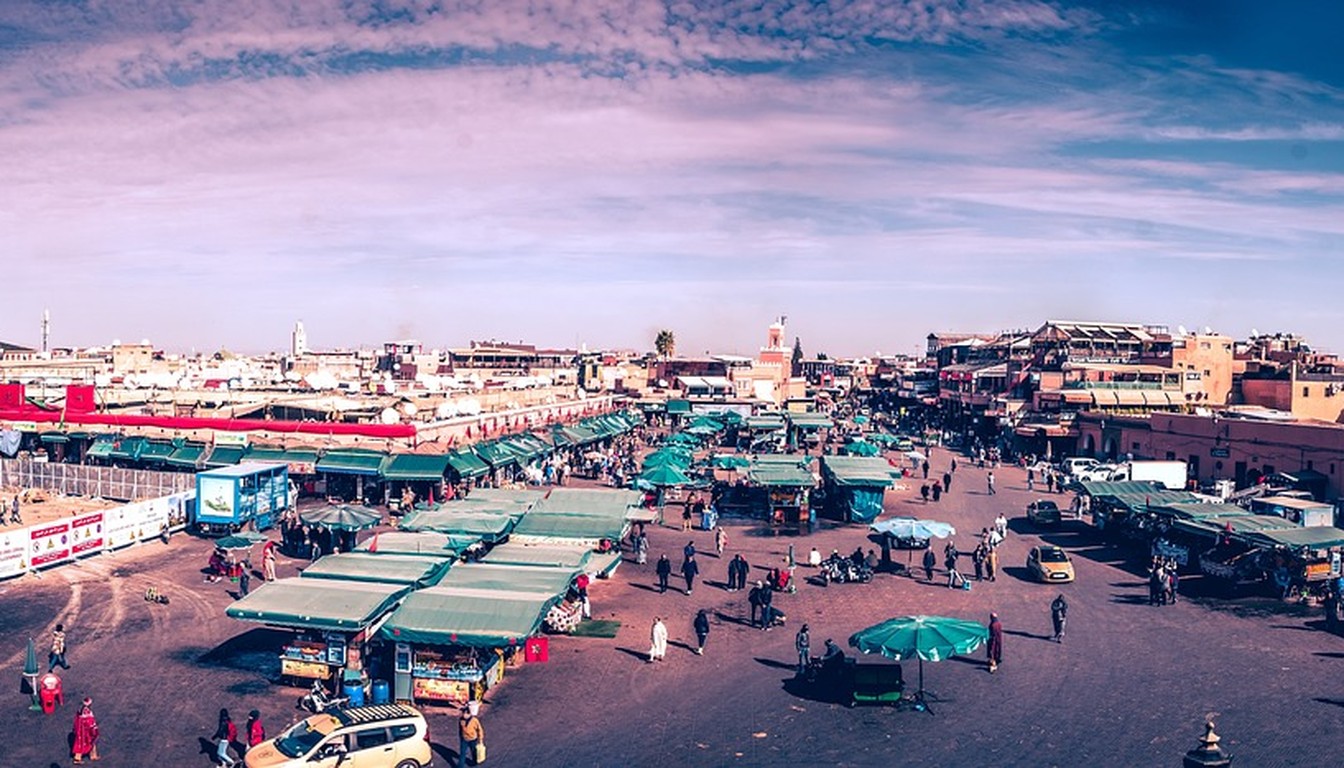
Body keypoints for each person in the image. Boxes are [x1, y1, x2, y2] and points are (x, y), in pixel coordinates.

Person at [71, 697, 99, 764]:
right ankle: (77, 758)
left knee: (87, 742)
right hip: (85, 730)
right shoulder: (86, 711)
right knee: (86, 742)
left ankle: (93, 755)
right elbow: (88, 721)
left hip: (82, 729)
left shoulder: (81, 709)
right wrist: (93, 726)